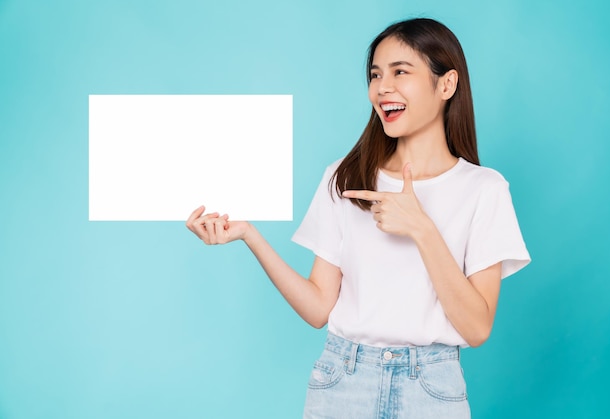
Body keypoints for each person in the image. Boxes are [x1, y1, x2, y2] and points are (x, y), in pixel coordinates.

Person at [186, 17, 530, 419]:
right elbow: (318, 309)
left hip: (432, 388)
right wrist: (249, 235)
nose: (383, 88)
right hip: (342, 382)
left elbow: (477, 327)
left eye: (401, 71)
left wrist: (421, 227)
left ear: (446, 85)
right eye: (375, 74)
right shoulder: (346, 177)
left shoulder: (484, 189)